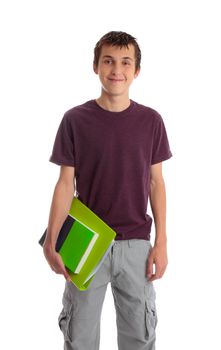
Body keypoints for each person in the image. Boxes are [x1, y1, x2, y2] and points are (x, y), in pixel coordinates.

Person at [43, 31, 173, 350]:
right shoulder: (75, 120)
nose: (117, 69)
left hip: (136, 246)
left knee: (139, 337)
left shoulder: (151, 121)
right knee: (79, 337)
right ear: (96, 67)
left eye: (125, 62)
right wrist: (51, 239)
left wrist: (162, 242)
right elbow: (65, 184)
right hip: (85, 241)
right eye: (109, 61)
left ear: (136, 71)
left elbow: (156, 182)